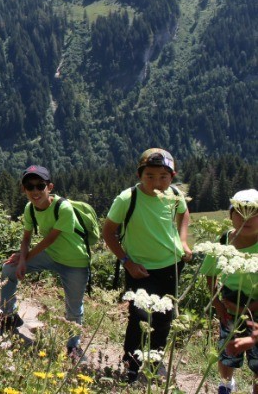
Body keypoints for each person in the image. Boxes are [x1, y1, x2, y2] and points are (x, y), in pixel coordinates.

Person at [102, 148, 192, 383]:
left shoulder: (174, 195)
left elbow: (184, 214)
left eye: (163, 176)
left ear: (172, 176)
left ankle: (154, 361)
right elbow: (108, 232)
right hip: (138, 267)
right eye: (149, 176)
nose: (156, 182)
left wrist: (182, 242)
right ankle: (132, 364)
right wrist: (127, 262)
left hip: (170, 265)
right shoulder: (127, 198)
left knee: (164, 316)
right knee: (139, 316)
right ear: (139, 174)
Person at [0, 165, 90, 362]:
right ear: (23, 190)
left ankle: (73, 347)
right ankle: (9, 316)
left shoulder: (63, 207)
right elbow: (26, 237)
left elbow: (50, 239)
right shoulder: (30, 209)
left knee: (74, 307)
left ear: (50, 187)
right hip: (51, 255)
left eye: (40, 186)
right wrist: (21, 259)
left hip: (75, 261)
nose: (35, 191)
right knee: (9, 269)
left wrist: (26, 258)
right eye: (29, 187)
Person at [200, 189, 258, 394]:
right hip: (230, 304)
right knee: (228, 348)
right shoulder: (225, 240)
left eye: (253, 212)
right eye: (240, 211)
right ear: (230, 215)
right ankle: (226, 384)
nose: (246, 218)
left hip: (256, 308)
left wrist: (249, 308)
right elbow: (210, 273)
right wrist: (218, 305)